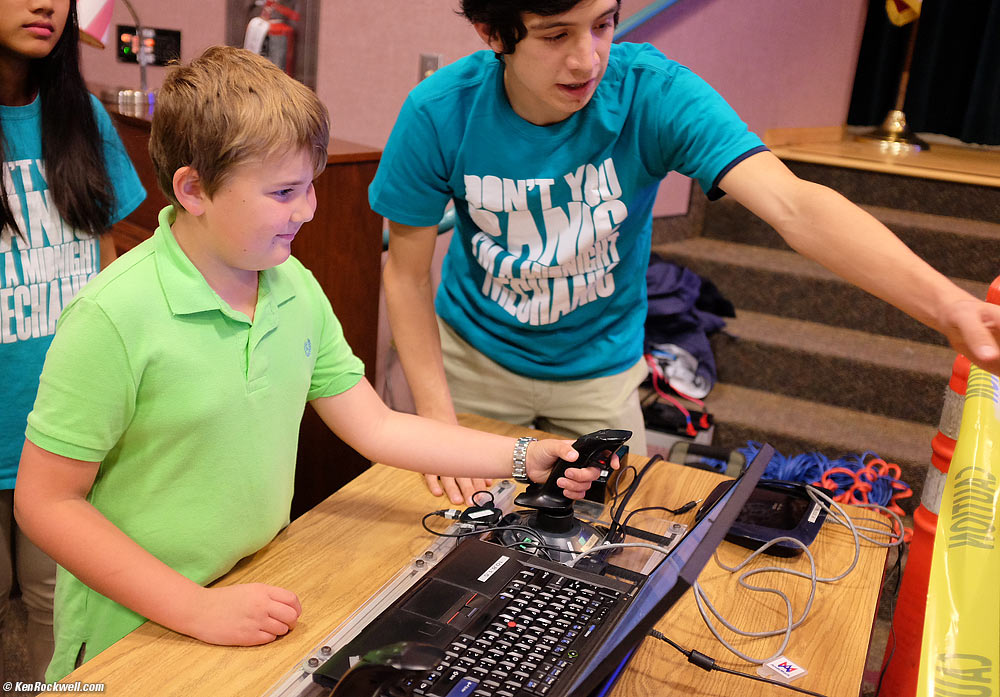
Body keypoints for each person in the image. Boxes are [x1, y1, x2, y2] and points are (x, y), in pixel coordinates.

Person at [12, 45, 606, 682]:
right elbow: (47, 504)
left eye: (310, 185)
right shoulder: (113, 314)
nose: (308, 209)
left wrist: (522, 457)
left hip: (250, 585)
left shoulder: (290, 283)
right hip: (132, 627)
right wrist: (196, 608)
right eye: (283, 191)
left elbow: (377, 427)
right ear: (193, 189)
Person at [373, 0, 1000, 506]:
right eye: (555, 35)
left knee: (608, 540)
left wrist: (948, 307)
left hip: (600, 370)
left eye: (603, 23)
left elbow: (794, 205)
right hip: (473, 364)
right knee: (459, 531)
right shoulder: (439, 113)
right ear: (493, 33)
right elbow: (404, 274)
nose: (586, 58)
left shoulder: (654, 93)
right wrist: (439, 424)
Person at [0, 0, 145, 682]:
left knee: (60, 622)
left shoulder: (81, 118)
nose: (46, 5)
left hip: (62, 436)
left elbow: (112, 273)